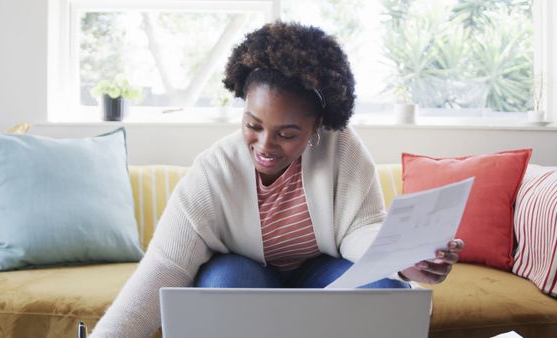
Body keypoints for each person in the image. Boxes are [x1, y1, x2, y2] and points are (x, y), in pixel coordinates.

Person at [90, 22, 464, 337]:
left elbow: (360, 230)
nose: (265, 145)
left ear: (317, 127)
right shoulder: (212, 173)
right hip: (243, 274)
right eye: (253, 125)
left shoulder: (342, 148)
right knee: (222, 284)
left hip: (322, 271)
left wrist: (403, 261)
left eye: (287, 134)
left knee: (389, 293)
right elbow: (164, 268)